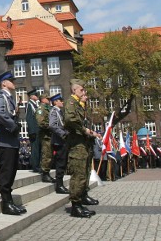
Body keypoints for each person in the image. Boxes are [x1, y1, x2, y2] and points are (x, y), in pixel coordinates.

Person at [64, 79, 101, 218]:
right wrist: (84, 130)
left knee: (82, 174)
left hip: (82, 143)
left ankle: (79, 202)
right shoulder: (71, 103)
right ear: (74, 90)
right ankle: (75, 206)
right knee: (78, 175)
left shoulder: (78, 105)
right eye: (81, 90)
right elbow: (69, 120)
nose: (83, 92)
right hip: (76, 144)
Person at [0, 70, 26, 216]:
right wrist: (12, 125)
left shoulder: (9, 98)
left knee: (12, 170)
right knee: (7, 171)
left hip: (11, 140)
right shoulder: (1, 96)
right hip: (6, 139)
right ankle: (6, 203)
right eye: (11, 80)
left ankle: (9, 200)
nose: (14, 83)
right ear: (4, 83)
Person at [48, 94, 69, 194]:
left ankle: (60, 184)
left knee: (63, 163)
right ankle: (59, 185)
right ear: (55, 102)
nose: (62, 102)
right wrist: (63, 134)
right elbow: (52, 125)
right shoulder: (54, 111)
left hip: (62, 140)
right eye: (60, 100)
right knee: (60, 163)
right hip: (58, 140)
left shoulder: (59, 112)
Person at [36, 94, 55, 183]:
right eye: (48, 99)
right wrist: (51, 127)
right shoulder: (41, 109)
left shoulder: (47, 108)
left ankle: (47, 172)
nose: (49, 100)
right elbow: (40, 122)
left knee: (49, 154)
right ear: (43, 99)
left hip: (49, 135)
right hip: (45, 135)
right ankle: (45, 174)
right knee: (46, 154)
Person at [25, 90, 41, 173]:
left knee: (38, 148)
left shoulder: (35, 105)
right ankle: (35, 166)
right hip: (34, 131)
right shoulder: (29, 105)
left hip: (38, 130)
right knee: (35, 149)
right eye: (35, 95)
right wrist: (31, 131)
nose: (37, 96)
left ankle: (38, 165)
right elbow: (29, 118)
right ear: (31, 96)